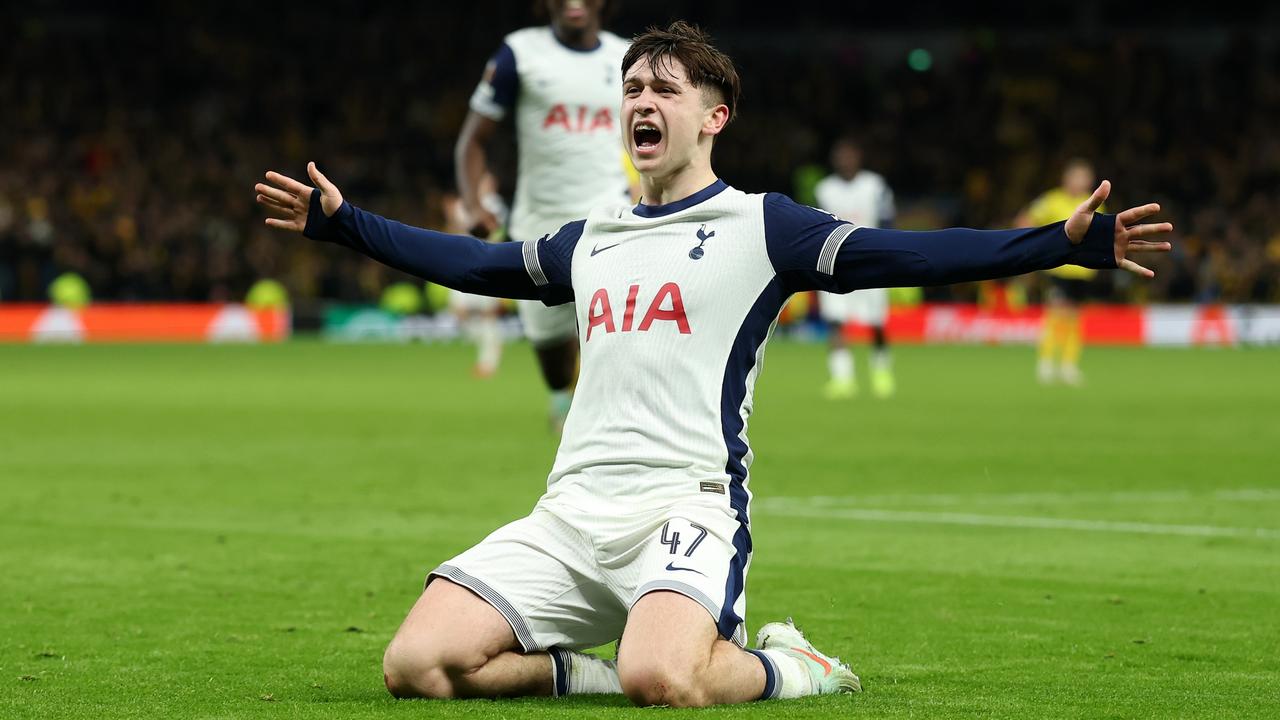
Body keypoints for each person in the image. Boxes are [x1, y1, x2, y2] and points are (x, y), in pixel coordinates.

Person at [254, 21, 1172, 708]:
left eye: (664, 88)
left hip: (686, 504)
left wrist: (1059, 244)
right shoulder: (592, 237)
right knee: (417, 666)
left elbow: (916, 256)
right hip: (571, 511)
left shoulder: (763, 228)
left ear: (714, 115)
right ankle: (584, 669)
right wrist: (347, 224)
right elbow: (481, 265)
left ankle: (790, 667)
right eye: (631, 88)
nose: (641, 103)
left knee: (665, 679)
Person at [456, 0, 633, 430]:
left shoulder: (628, 57)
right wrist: (473, 204)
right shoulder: (519, 53)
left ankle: (614, 424)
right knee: (553, 350)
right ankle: (561, 397)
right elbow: (472, 142)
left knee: (617, 334)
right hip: (540, 223)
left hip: (611, 216)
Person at [813, 136, 896, 399]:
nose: (845, 161)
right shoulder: (824, 189)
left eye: (850, 156)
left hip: (871, 261)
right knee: (836, 321)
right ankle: (842, 378)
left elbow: (887, 219)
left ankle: (881, 372)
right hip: (835, 263)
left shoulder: (874, 185)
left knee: (877, 323)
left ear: (858, 158)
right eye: (841, 156)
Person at [1016, 158, 1102, 385]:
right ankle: (1045, 363)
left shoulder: (1095, 202)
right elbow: (1025, 219)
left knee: (1074, 318)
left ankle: (1068, 365)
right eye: (1077, 176)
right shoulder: (1051, 200)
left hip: (1083, 271)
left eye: (1084, 177)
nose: (1080, 181)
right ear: (1066, 178)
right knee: (1056, 315)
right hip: (1057, 269)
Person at [442, 175, 508, 377]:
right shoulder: (464, 203)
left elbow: (494, 234)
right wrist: (451, 215)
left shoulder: (494, 204)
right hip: (462, 264)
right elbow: (455, 233)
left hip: (486, 265)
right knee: (459, 312)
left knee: (488, 315)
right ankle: (487, 352)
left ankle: (488, 362)